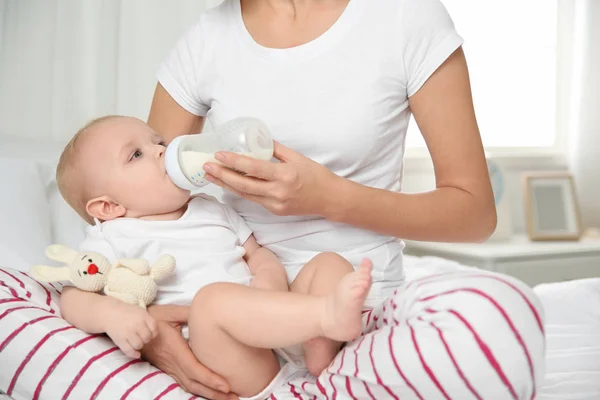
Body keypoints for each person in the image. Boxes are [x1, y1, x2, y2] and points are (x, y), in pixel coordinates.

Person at [143, 0, 546, 399]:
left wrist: (328, 198)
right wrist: (148, 327)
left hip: (356, 316)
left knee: (500, 313)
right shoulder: (208, 37)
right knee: (85, 322)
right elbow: (139, 196)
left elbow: (474, 214)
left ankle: (330, 371)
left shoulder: (406, 16)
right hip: (242, 321)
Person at [57, 115, 375, 398]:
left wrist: (269, 280)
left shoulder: (209, 206)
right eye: (136, 154)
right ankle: (324, 317)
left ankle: (319, 347)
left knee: (328, 264)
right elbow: (73, 297)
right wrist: (112, 315)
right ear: (109, 207)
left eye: (159, 142)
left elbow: (257, 254)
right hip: (226, 358)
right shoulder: (113, 236)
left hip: (279, 333)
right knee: (212, 302)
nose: (161, 150)